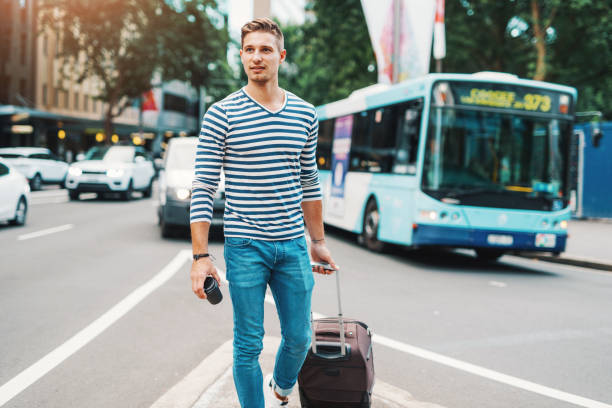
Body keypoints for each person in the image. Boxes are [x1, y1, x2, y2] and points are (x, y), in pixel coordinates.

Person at [189, 18, 338, 408]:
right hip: (245, 245)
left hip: (292, 245)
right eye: (250, 50)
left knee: (300, 337)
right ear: (241, 56)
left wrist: (317, 241)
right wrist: (201, 258)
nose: (257, 57)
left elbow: (310, 182)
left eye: (266, 49)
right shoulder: (221, 114)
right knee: (248, 345)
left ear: (281, 56)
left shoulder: (305, 114)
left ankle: (282, 387)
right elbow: (203, 187)